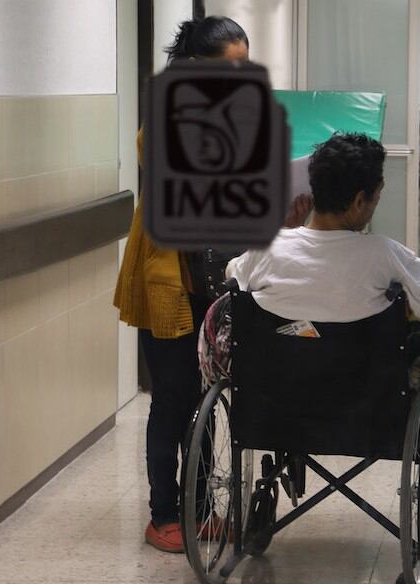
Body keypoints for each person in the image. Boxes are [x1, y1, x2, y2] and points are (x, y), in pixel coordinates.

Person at [114, 16, 312, 553]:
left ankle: (200, 509)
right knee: (173, 399)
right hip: (168, 285)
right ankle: (163, 515)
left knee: (204, 400)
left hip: (211, 281)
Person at [227, 133, 420, 321]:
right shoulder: (385, 254)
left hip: (277, 378)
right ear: (359, 201)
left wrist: (287, 233)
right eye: (377, 196)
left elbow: (232, 276)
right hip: (363, 378)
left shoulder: (266, 251)